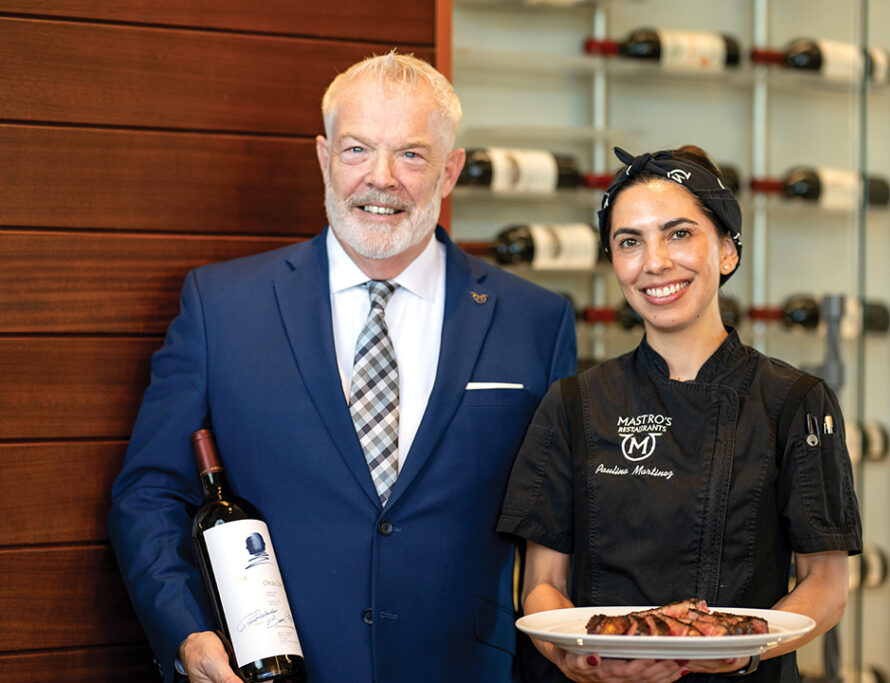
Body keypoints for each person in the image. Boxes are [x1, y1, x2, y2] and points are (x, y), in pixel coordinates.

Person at [108, 52, 577, 683]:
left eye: (411, 155)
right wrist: (186, 633)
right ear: (325, 158)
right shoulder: (220, 307)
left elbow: (558, 517)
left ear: (450, 171)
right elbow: (149, 493)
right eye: (357, 150)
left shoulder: (537, 320)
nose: (381, 179)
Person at [497, 146, 862, 683]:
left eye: (679, 234)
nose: (655, 262)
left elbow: (826, 588)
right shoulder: (574, 403)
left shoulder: (795, 401)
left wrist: (741, 650)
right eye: (630, 242)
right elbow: (541, 586)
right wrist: (573, 659)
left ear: (727, 251)